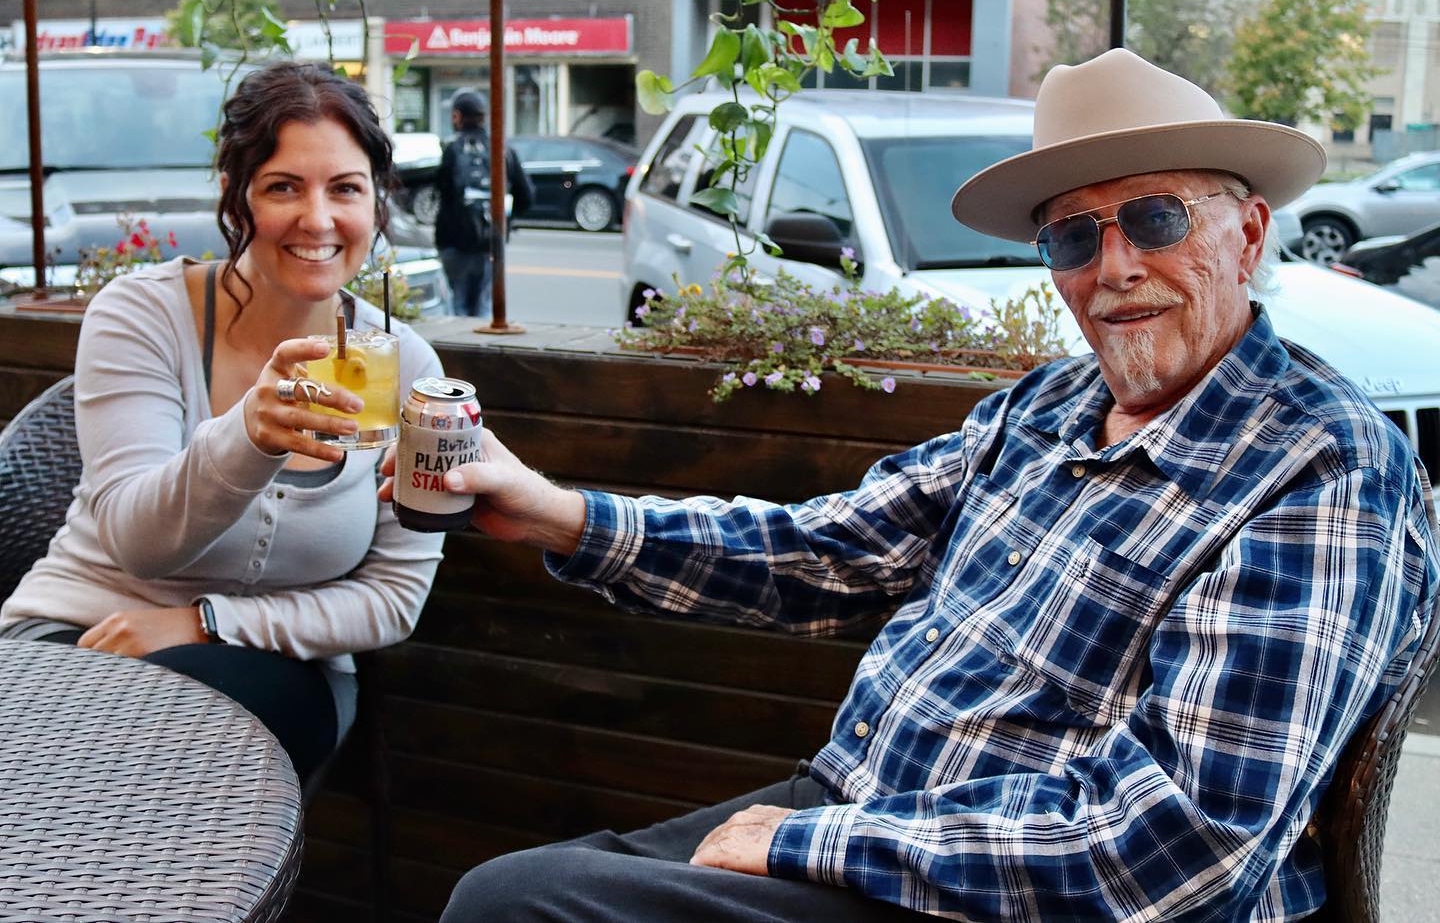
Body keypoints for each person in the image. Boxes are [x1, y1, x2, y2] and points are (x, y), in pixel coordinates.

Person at [392, 49, 1440, 920]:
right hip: (861, 813)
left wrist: (814, 842)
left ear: (1247, 235)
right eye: (1075, 235)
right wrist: (556, 514)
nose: (1114, 266)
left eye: (1156, 219)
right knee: (516, 887)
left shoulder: (1321, 466)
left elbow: (1182, 841)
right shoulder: (1045, 407)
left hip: (993, 893)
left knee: (513, 908)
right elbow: (828, 550)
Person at [0, 62, 445, 784]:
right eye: (283, 187)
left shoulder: (407, 365)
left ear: (376, 203)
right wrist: (247, 438)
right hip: (80, 635)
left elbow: (394, 599)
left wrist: (204, 624)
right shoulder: (143, 315)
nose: (318, 220)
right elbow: (138, 545)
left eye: (345, 189)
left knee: (180, 745)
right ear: (236, 197)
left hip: (278, 670)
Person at [434, 90, 534, 318]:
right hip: (492, 240)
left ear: (457, 116)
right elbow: (527, 196)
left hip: (454, 242)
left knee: (457, 304)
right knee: (484, 305)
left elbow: (442, 188)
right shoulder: (502, 149)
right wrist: (505, 217)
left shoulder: (451, 148)